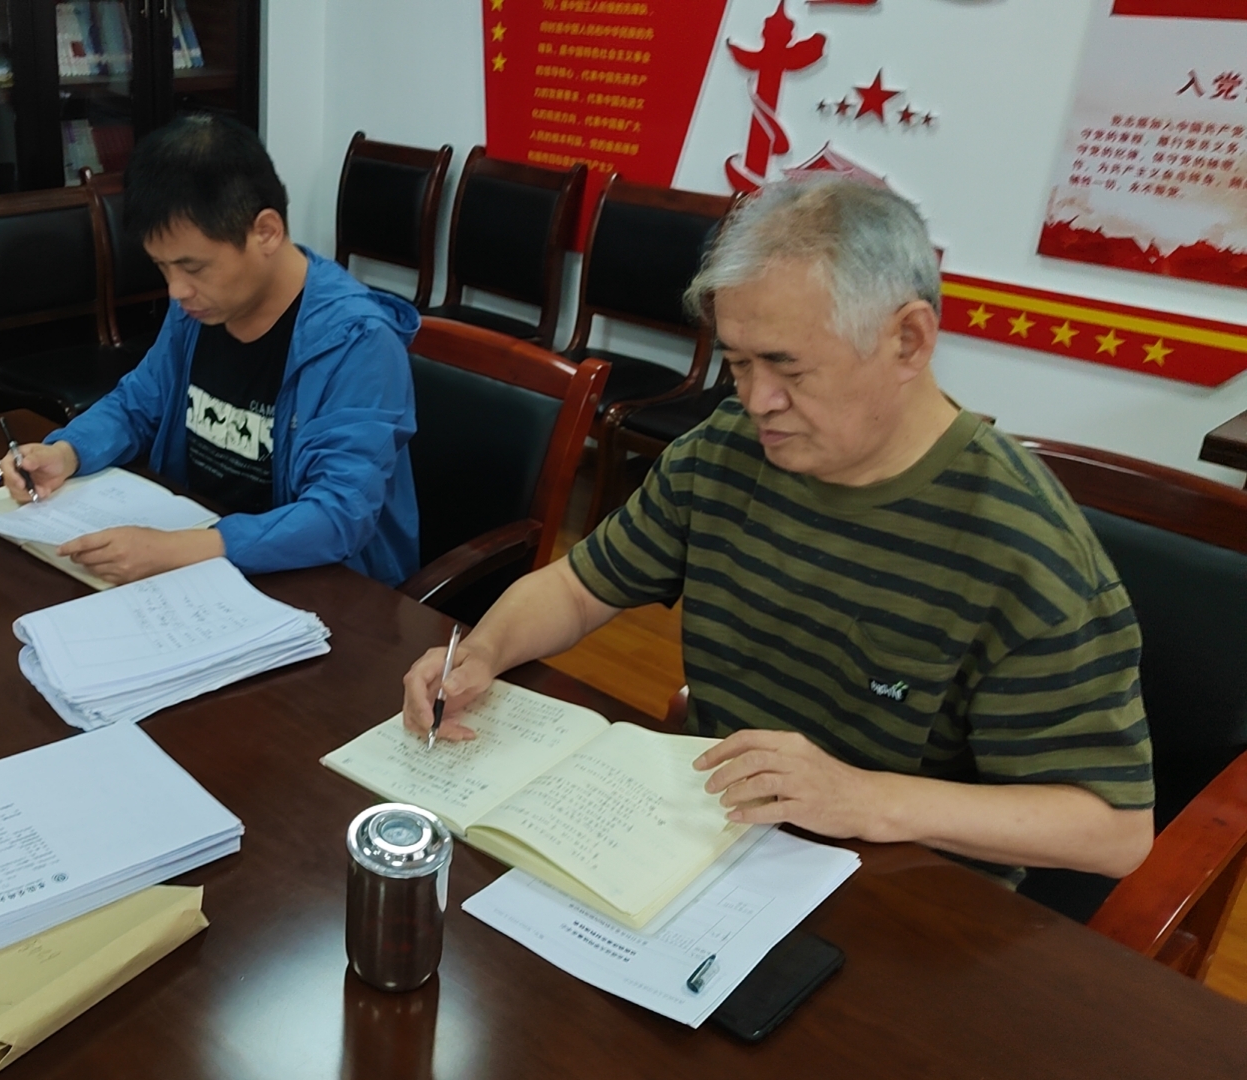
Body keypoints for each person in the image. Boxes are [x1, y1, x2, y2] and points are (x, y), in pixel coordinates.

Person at [401, 176, 1155, 882]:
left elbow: (1113, 831)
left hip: (901, 889)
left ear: (909, 341)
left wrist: (864, 798)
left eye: (789, 369)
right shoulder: (727, 450)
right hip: (708, 834)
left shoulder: (1023, 546)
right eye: (737, 363)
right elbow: (578, 588)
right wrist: (482, 654)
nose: (758, 400)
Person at [1, 113, 420, 587]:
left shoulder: (357, 342)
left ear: (266, 232)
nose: (176, 290)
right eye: (162, 267)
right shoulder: (199, 308)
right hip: (201, 552)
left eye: (193, 267)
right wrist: (66, 452)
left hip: (319, 583)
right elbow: (140, 403)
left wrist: (178, 550)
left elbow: (339, 515)